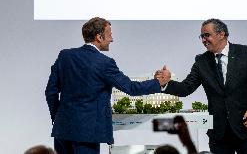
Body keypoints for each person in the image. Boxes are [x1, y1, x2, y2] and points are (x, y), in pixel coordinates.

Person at [45, 17, 167, 154]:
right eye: (110, 35)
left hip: (62, 130)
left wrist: (58, 118)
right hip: (87, 135)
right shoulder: (104, 63)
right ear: (99, 37)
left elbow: (50, 92)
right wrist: (159, 82)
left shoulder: (64, 56)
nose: (112, 39)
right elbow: (131, 88)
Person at [155, 19, 247, 154]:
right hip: (219, 134)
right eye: (202, 36)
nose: (204, 40)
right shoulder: (201, 61)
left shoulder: (246, 53)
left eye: (207, 35)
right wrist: (166, 84)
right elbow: (186, 88)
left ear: (221, 34)